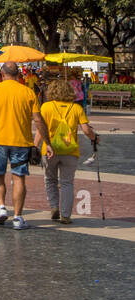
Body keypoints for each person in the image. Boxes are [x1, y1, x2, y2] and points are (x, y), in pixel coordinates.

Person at [0, 61, 43, 230]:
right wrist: (45, 142)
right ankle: (17, 217)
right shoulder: (28, 92)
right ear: (18, 75)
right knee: (19, 178)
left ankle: (1, 207)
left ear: (2, 74)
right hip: (21, 142)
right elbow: (37, 119)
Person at [39, 79, 98, 225]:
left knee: (50, 179)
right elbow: (86, 130)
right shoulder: (76, 108)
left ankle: (54, 207)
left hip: (49, 149)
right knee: (67, 182)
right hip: (70, 150)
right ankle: (65, 214)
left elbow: (41, 130)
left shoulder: (46, 107)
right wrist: (95, 138)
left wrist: (35, 147)